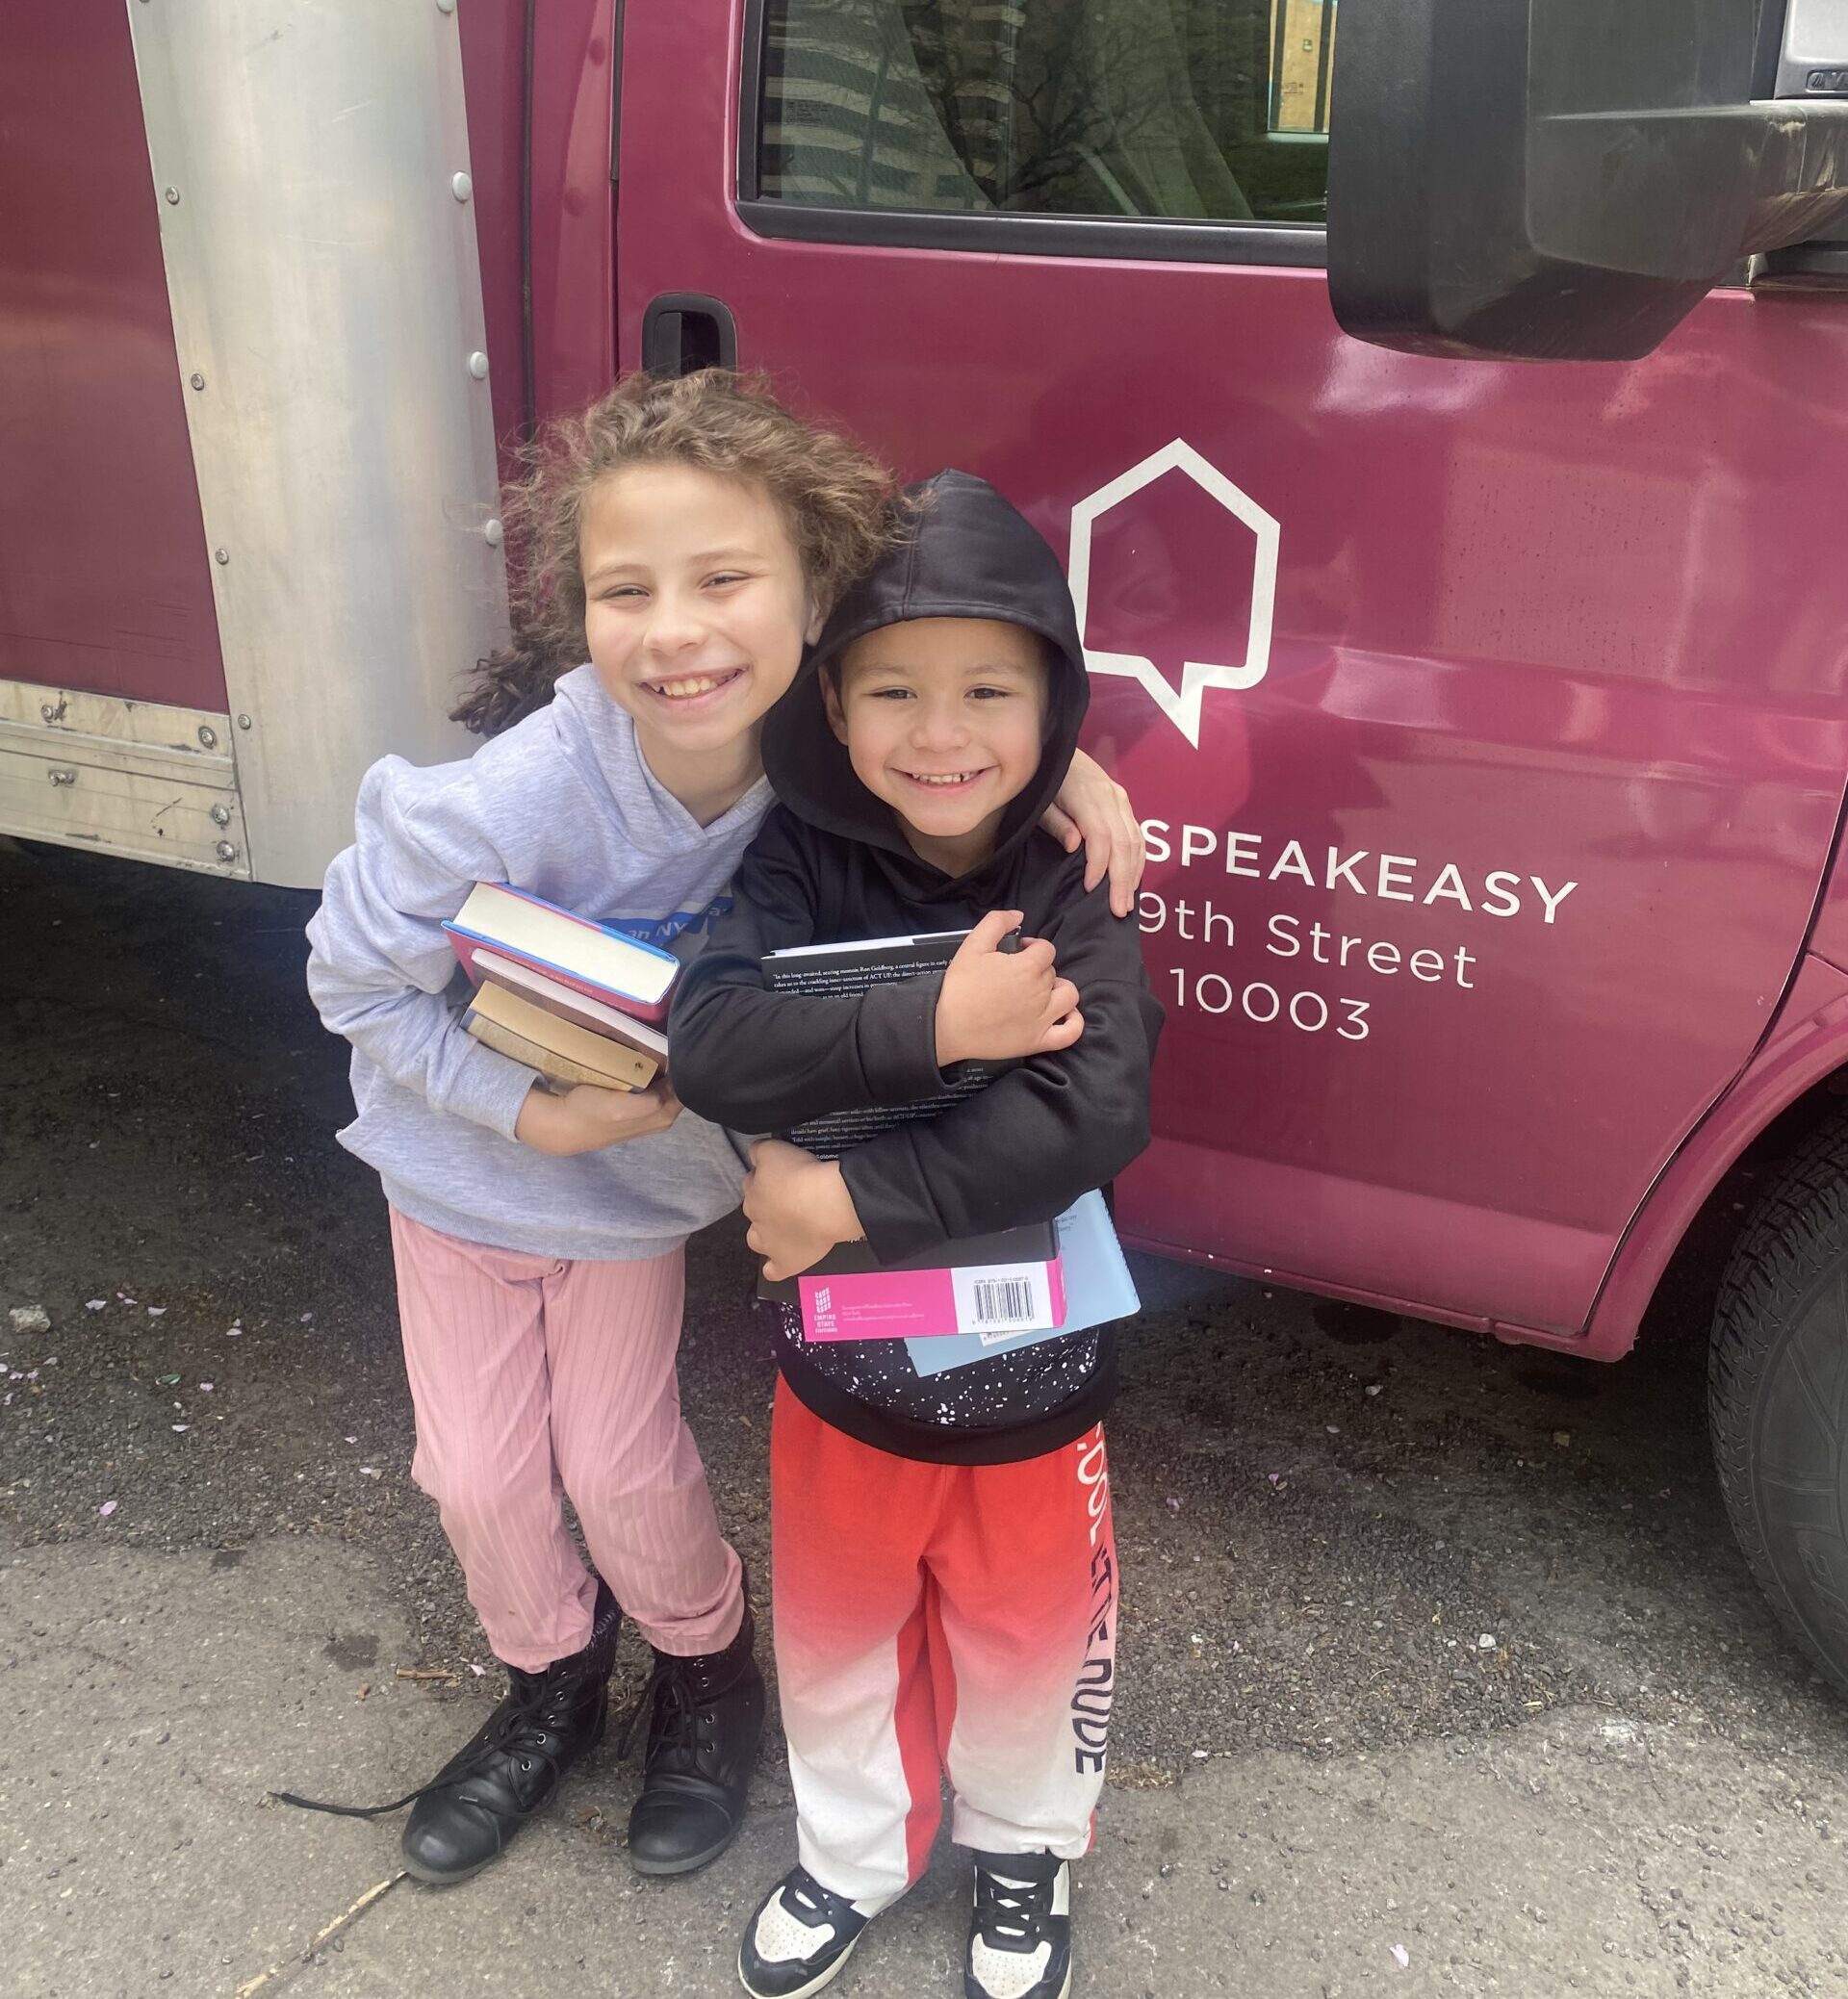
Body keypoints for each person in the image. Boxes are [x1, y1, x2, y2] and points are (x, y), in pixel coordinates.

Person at [301, 376, 1143, 1890]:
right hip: (466, 1177)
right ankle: (549, 1684)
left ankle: (702, 1669)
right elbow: (352, 976)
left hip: (630, 1203)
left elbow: (952, 712)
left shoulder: (826, 778)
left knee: (625, 1472)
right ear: (581, 608)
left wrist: (1062, 756)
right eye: (628, 590)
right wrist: (524, 1110)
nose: (679, 631)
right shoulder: (501, 802)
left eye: (726, 582)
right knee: (477, 1479)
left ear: (814, 605)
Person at [671, 470, 1163, 1999]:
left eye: (988, 690)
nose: (940, 734)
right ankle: (852, 1851)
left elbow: (1094, 1112)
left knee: (1031, 1635)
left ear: (1057, 704)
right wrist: (940, 1020)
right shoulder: (802, 859)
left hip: (1034, 1377)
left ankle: (1024, 1842)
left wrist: (848, 1196)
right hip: (845, 1375)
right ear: (831, 698)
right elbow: (713, 1041)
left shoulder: (1068, 872)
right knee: (840, 1631)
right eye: (892, 689)